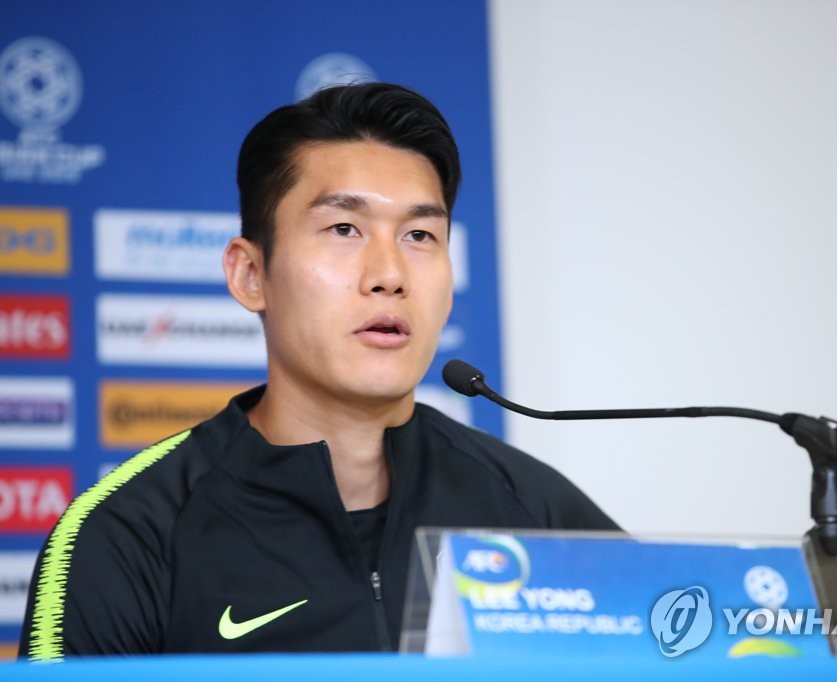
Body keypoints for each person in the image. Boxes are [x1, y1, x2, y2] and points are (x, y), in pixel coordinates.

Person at [18, 82, 618, 660]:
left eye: (419, 234)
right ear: (250, 275)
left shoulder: (536, 511)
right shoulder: (127, 531)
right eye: (344, 229)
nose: (390, 275)